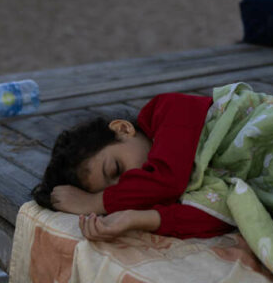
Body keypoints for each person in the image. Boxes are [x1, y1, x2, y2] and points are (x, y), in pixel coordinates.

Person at [31, 93, 234, 241]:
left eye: (116, 169)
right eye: (115, 189)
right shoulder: (167, 192)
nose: (129, 185)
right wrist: (137, 218)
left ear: (123, 129)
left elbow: (166, 181)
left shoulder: (170, 109)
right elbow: (224, 216)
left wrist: (95, 202)